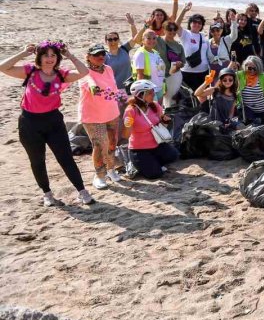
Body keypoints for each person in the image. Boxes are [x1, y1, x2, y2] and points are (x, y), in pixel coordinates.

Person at [0, 41, 94, 206]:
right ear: (39, 57)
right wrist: (23, 53)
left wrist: (69, 54)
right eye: (45, 55)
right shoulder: (30, 71)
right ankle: (47, 194)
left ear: (57, 57)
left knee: (66, 158)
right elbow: (3, 67)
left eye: (53, 55)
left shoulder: (61, 74)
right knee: (37, 160)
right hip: (29, 123)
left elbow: (84, 71)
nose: (49, 59)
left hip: (53, 122)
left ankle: (82, 191)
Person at [79, 44, 126, 190]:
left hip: (112, 112)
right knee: (100, 145)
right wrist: (94, 88)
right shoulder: (84, 72)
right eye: (96, 55)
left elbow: (114, 89)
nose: (100, 57)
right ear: (88, 57)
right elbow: (93, 86)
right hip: (93, 116)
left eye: (102, 54)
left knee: (112, 143)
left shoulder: (108, 69)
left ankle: (111, 169)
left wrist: (122, 97)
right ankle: (99, 175)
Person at [122, 80, 179, 179]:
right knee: (155, 174)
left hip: (157, 145)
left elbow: (161, 125)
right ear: (140, 95)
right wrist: (127, 125)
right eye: (150, 93)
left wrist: (165, 121)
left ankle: (150, 163)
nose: (153, 94)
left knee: (173, 155)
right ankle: (138, 164)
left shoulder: (155, 105)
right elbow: (126, 136)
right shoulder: (131, 110)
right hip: (139, 150)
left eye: (153, 92)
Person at [231, 56, 264, 125]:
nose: (252, 70)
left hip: (262, 110)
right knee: (252, 122)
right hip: (247, 110)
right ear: (245, 67)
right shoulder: (240, 75)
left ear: (259, 68)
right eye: (249, 68)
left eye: (255, 68)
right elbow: (226, 74)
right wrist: (232, 63)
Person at [176, 7, 211, 92]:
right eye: (194, 22)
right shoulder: (185, 34)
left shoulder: (203, 36)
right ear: (190, 23)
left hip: (203, 72)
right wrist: (184, 10)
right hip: (187, 72)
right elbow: (176, 24)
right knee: (187, 96)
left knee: (201, 96)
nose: (197, 24)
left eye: (200, 23)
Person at [132, 30, 166, 102]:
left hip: (159, 88)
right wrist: (141, 94)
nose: (152, 40)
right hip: (149, 91)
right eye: (148, 38)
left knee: (159, 109)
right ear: (143, 40)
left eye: (154, 38)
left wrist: (164, 87)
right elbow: (140, 75)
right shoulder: (141, 54)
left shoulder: (155, 52)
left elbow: (160, 71)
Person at [158, 21, 186, 107]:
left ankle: (169, 114)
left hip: (174, 75)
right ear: (164, 29)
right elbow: (142, 40)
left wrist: (179, 64)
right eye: (169, 29)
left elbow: (183, 62)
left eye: (175, 29)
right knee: (158, 99)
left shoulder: (179, 46)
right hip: (158, 75)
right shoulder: (157, 40)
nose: (172, 31)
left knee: (171, 100)